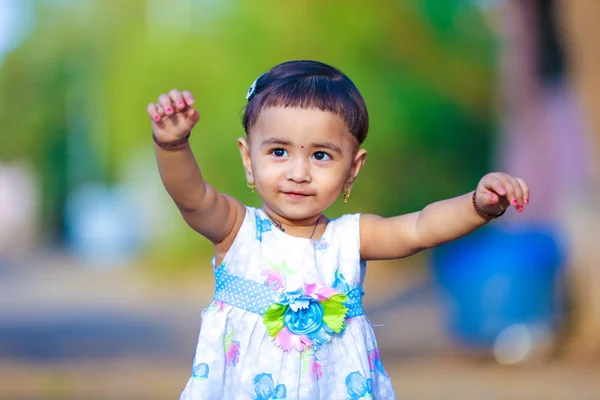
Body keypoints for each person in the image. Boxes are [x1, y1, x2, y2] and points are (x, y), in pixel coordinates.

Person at [147, 60, 529, 399]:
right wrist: (173, 144)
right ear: (249, 159)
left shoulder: (350, 238)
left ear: (352, 170)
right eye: (278, 152)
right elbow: (192, 197)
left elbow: (419, 228)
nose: (299, 173)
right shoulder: (237, 229)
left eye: (321, 155)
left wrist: (479, 204)